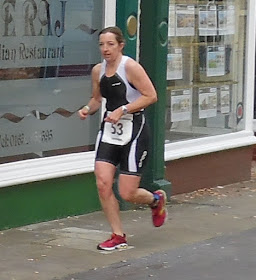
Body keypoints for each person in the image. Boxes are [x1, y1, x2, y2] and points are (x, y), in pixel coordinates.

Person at [78, 26, 167, 251]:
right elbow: (97, 98)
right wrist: (87, 108)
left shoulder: (130, 67)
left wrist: (124, 109)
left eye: (110, 44)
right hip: (110, 130)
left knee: (127, 193)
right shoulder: (98, 70)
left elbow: (151, 95)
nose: (105, 49)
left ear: (120, 45)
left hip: (134, 129)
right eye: (101, 45)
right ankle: (118, 235)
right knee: (103, 183)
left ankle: (155, 200)